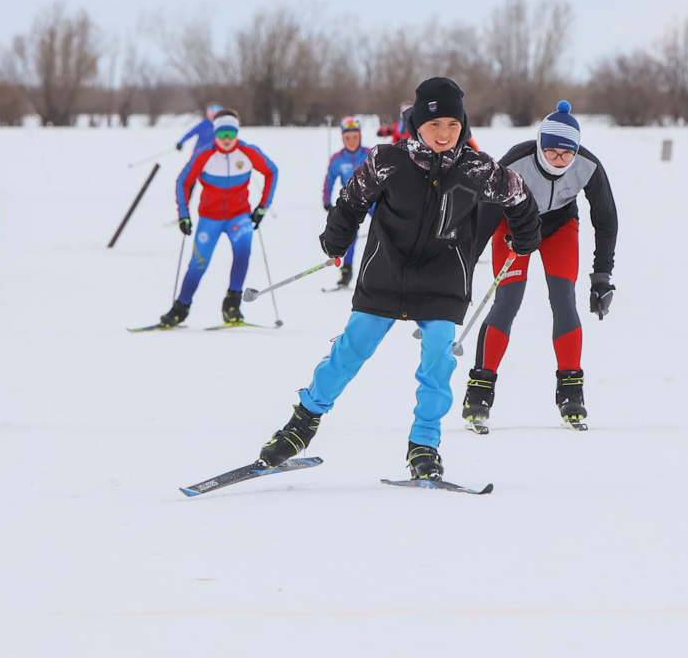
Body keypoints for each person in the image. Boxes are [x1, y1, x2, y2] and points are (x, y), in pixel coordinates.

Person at [256, 77, 541, 479]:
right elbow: (352, 198)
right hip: (385, 275)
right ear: (417, 126)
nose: (444, 134)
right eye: (434, 125)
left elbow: (520, 197)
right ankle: (302, 423)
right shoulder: (387, 160)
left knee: (438, 363)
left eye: (453, 125)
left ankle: (424, 446)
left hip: (443, 283)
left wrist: (525, 237)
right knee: (350, 351)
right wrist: (336, 239)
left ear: (463, 126)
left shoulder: (478, 168)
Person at [462, 101, 618, 433]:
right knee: (508, 301)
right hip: (512, 226)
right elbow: (484, 217)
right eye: (551, 153)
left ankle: (571, 391)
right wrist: (464, 269)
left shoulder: (588, 167)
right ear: (539, 145)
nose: (559, 161)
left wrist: (602, 275)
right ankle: (479, 391)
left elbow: (606, 220)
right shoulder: (515, 161)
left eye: (566, 155)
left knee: (564, 299)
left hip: (560, 228)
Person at [161, 110, 278, 326]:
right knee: (198, 264)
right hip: (210, 218)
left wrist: (263, 207)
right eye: (222, 133)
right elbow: (182, 182)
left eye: (231, 133)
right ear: (215, 133)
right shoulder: (204, 154)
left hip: (239, 216)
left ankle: (232, 305)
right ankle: (180, 308)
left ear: (237, 133)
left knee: (243, 252)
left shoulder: (248, 152)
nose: (226, 139)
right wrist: (183, 216)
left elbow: (272, 171)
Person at [322, 116, 370, 289]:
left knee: (385, 229)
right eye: (347, 138)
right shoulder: (338, 159)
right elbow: (329, 180)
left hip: (373, 201)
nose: (351, 141)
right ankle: (346, 272)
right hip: (352, 203)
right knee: (349, 235)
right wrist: (327, 201)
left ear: (360, 136)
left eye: (355, 137)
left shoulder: (369, 154)